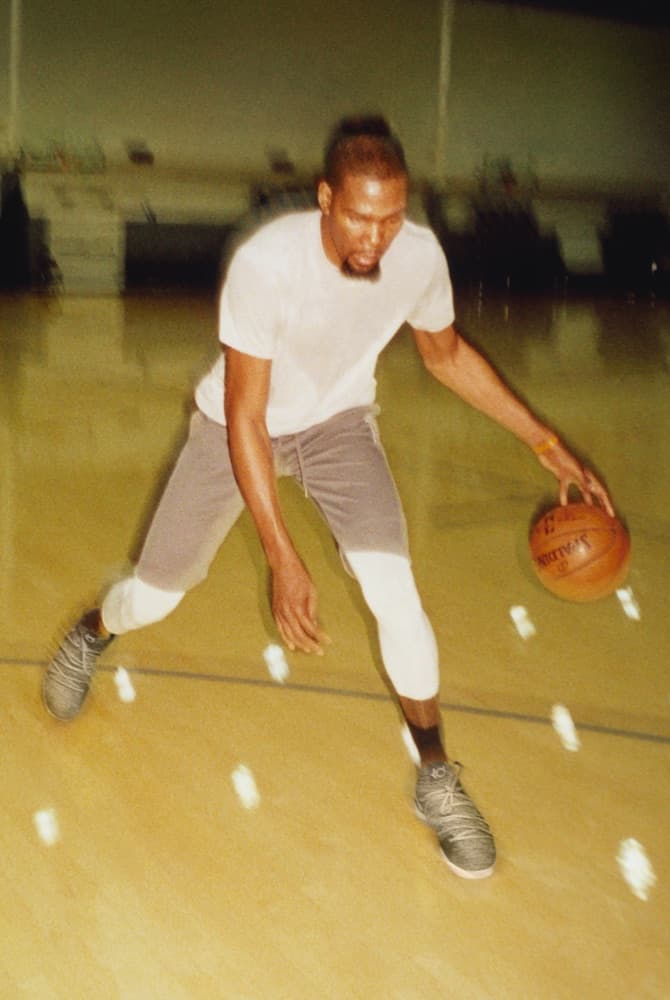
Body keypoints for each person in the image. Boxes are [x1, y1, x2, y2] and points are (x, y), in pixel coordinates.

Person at [43, 115, 613, 880]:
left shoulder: (417, 256)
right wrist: (283, 556)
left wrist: (544, 440)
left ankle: (436, 776)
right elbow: (248, 416)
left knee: (395, 592)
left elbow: (445, 356)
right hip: (233, 428)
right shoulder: (266, 265)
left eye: (391, 216)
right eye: (358, 215)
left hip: (339, 427)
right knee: (155, 596)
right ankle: (91, 632)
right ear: (324, 199)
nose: (375, 237)